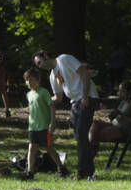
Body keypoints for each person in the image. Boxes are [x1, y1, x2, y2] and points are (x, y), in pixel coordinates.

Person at [33, 49, 99, 179]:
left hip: (86, 98)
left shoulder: (64, 59)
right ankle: (89, 171)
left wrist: (85, 97)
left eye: (39, 62)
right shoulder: (52, 76)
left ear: (46, 55)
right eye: (37, 65)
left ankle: (82, 172)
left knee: (81, 134)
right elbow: (58, 98)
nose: (40, 67)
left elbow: (85, 74)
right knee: (80, 137)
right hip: (75, 102)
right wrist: (40, 100)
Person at [21, 68, 67, 180]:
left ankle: (60, 167)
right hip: (33, 127)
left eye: (31, 80)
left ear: (38, 80)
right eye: (27, 80)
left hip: (44, 126)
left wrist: (52, 122)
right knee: (31, 148)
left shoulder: (44, 92)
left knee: (48, 148)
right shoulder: (28, 94)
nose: (29, 82)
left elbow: (51, 106)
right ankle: (30, 172)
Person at [87, 80, 131, 163]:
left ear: (128, 92)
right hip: (115, 126)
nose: (118, 93)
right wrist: (108, 111)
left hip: (125, 131)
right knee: (95, 124)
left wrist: (121, 115)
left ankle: (89, 157)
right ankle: (90, 155)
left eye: (121, 91)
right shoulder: (123, 102)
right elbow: (113, 117)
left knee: (96, 135)